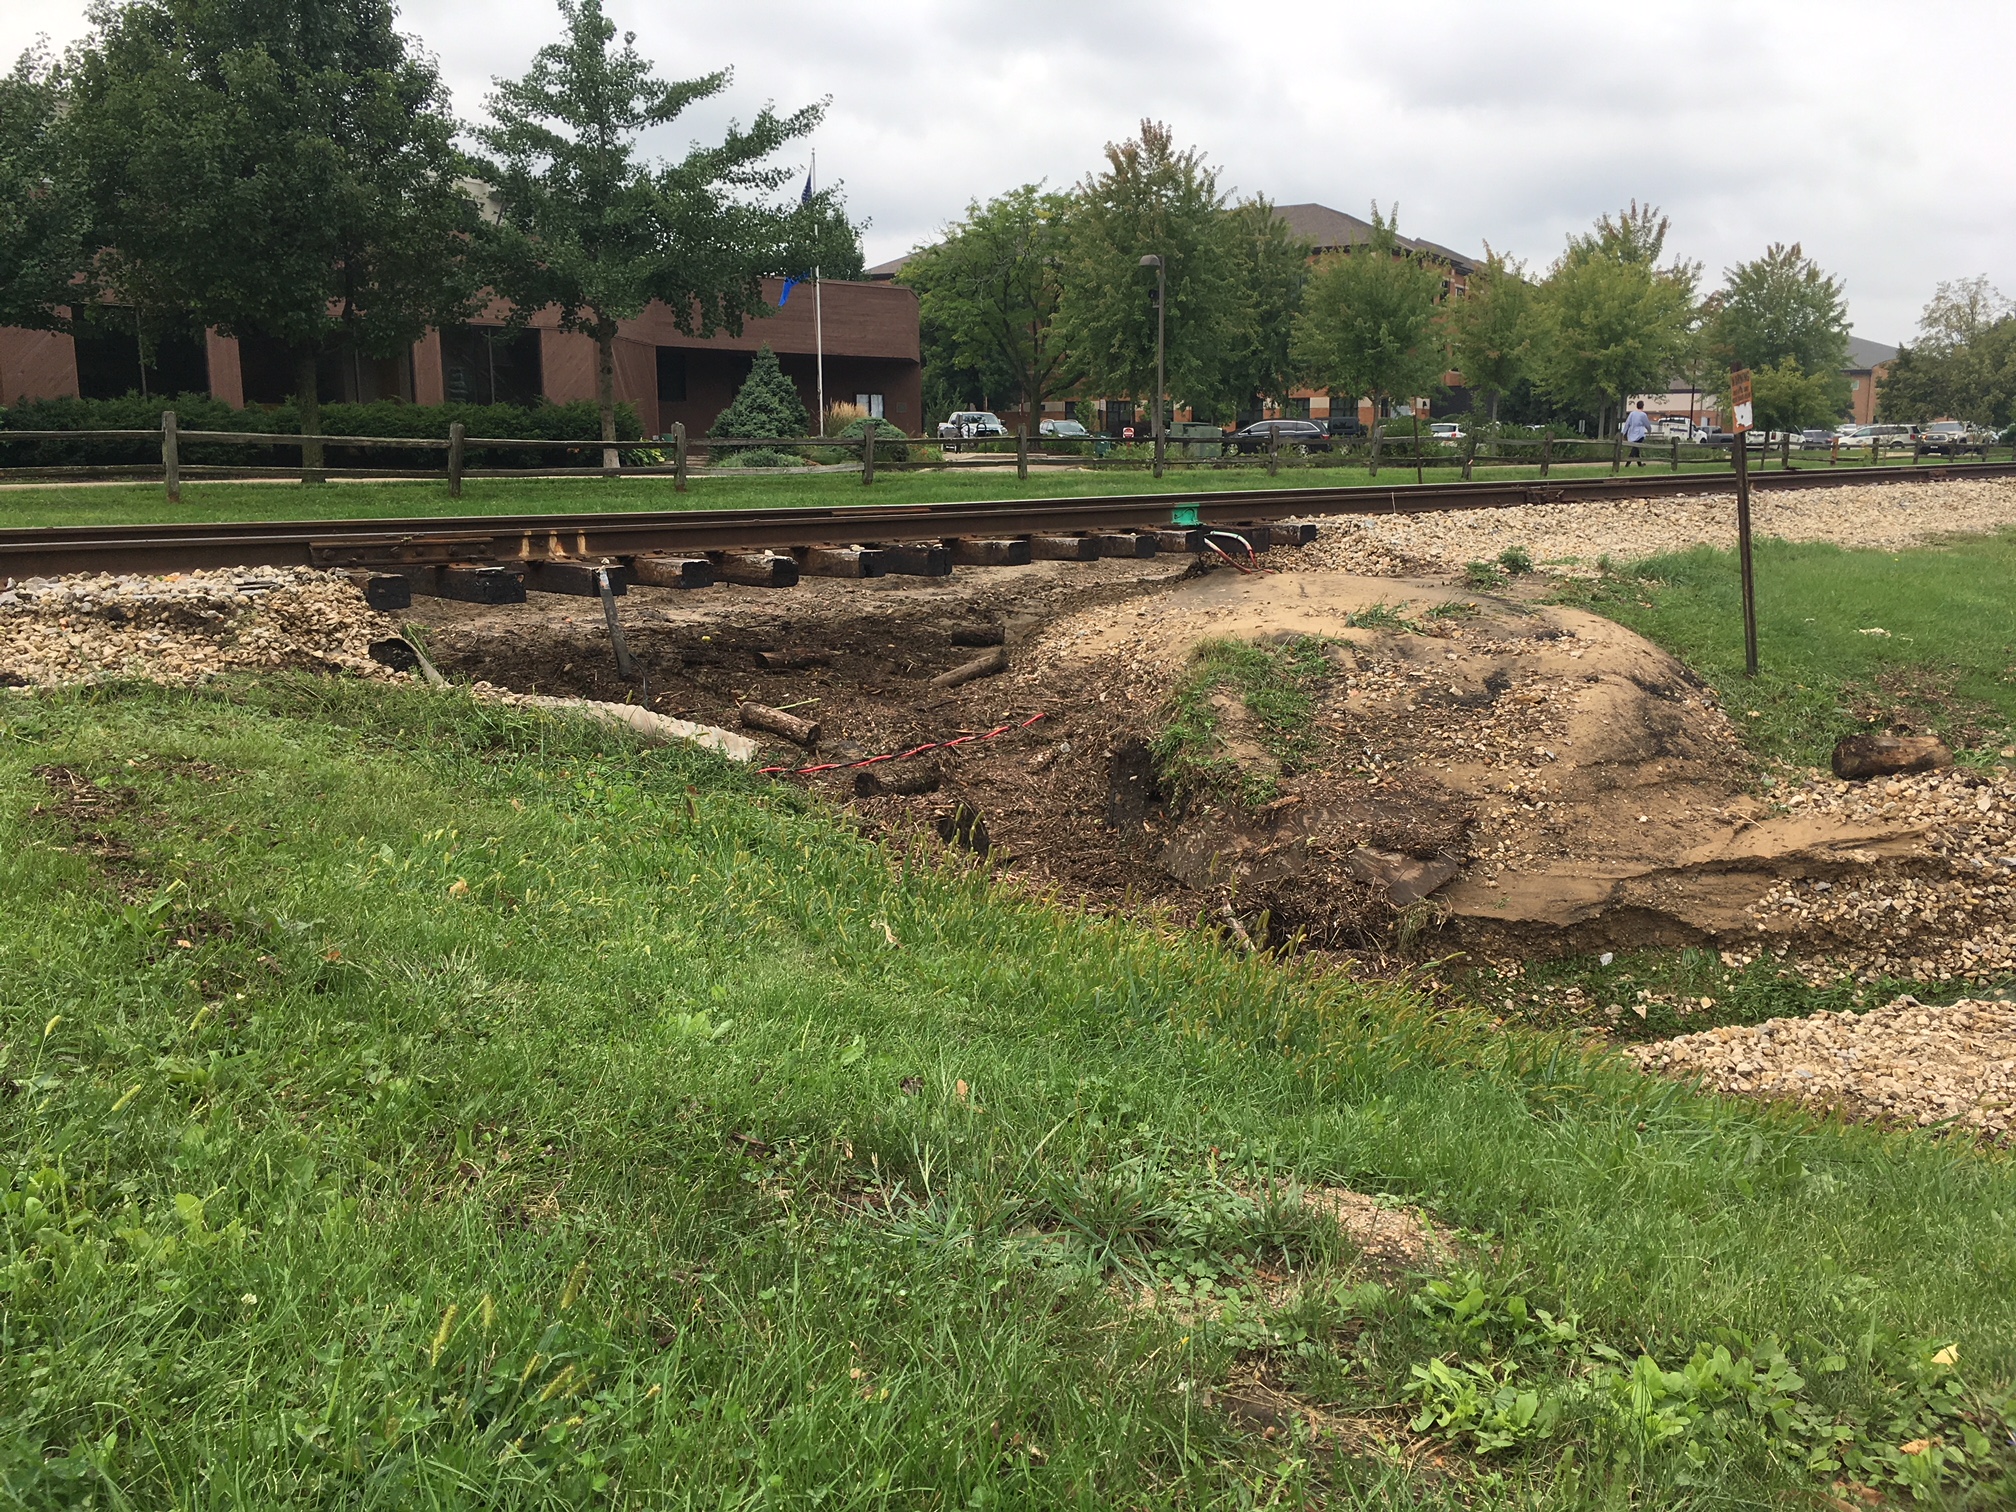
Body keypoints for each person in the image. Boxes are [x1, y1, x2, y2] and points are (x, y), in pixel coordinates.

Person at [1623, 400, 1652, 466]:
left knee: (1636, 448)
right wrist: (1649, 431)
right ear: (1642, 406)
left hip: (1632, 432)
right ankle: (1627, 463)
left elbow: (1627, 423)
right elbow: (1647, 424)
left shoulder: (1632, 414)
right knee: (1635, 448)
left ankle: (1639, 464)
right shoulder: (1643, 415)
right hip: (1640, 433)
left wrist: (1624, 432)